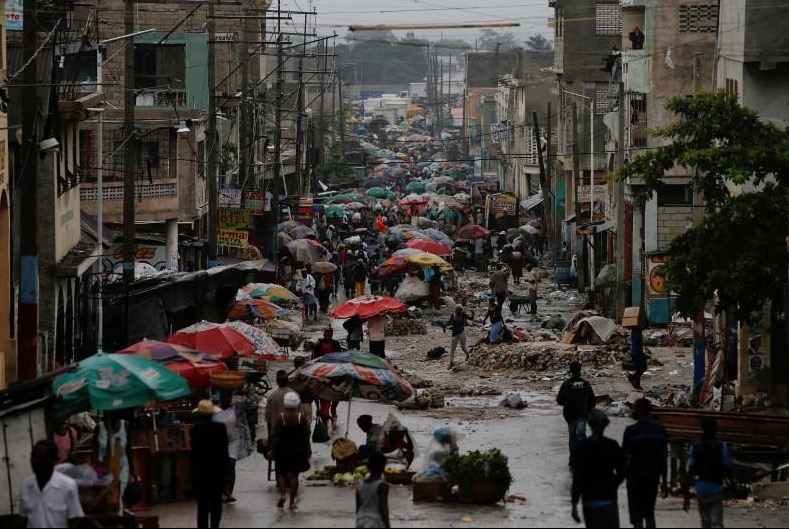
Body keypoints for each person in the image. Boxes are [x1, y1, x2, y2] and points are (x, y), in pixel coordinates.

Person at [571, 409, 625, 528]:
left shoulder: (582, 447)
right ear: (605, 425)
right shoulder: (612, 445)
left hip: (590, 501)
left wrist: (574, 503)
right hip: (609, 499)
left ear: (589, 425)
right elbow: (623, 470)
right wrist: (613, 484)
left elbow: (577, 477)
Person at [622, 398, 669, 529]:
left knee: (636, 515)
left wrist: (620, 477)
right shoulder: (660, 430)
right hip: (652, 476)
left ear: (639, 411)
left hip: (635, 477)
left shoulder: (631, 431)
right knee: (649, 512)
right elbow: (663, 456)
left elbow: (624, 457)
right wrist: (664, 480)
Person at [19, 439, 84, 528]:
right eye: (33, 457)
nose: (34, 462)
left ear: (52, 460)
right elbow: (23, 518)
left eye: (40, 458)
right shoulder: (26, 486)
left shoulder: (67, 485)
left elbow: (74, 519)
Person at [267, 391, 311, 511]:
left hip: (282, 449)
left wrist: (271, 450)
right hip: (297, 450)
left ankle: (282, 495)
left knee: (281, 473)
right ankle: (292, 502)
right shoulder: (300, 418)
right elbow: (306, 435)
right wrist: (307, 450)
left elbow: (275, 435)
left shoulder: (280, 418)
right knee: (294, 476)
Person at [684, 418, 732, 528]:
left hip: (701, 487)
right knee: (716, 520)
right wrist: (732, 486)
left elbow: (690, 470)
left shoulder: (695, 446)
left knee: (705, 520)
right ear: (716, 429)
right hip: (716, 486)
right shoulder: (722, 446)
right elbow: (727, 466)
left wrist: (686, 496)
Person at [190, 399, 230, 528]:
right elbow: (224, 451)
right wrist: (226, 472)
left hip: (200, 473)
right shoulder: (220, 428)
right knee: (216, 505)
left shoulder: (194, 430)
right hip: (216, 473)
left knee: (202, 507)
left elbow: (194, 453)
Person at [214, 392, 253, 504]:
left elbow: (250, 400)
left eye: (228, 397)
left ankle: (229, 492)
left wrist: (248, 386)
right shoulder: (215, 409)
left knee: (231, 464)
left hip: (234, 441)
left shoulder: (236, 408)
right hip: (220, 441)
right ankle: (222, 491)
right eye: (224, 397)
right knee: (221, 466)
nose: (227, 399)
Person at [556, 361, 597, 468]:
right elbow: (592, 401)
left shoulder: (566, 384)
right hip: (582, 415)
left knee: (572, 437)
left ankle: (573, 460)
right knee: (581, 436)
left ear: (571, 371)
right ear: (580, 371)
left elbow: (559, 400)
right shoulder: (586, 384)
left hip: (570, 416)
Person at [94, 410, 136, 512]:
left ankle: (119, 514)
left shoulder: (125, 426)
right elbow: (95, 449)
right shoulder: (99, 428)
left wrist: (133, 472)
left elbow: (128, 449)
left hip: (122, 466)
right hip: (104, 468)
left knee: (119, 493)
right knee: (108, 495)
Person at [355, 451, 391, 528]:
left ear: (368, 466)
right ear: (383, 467)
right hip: (375, 523)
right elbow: (383, 508)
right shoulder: (382, 485)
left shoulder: (359, 485)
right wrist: (387, 525)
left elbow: (358, 508)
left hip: (360, 521)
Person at [265, 370, 292, 437]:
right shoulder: (294, 395)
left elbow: (268, 418)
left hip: (277, 431)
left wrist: (269, 435)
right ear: (287, 380)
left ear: (277, 381)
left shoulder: (272, 397)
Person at [628, 326, 648, 391]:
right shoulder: (636, 330)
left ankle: (633, 377)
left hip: (637, 351)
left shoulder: (635, 330)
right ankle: (636, 385)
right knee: (640, 368)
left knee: (642, 367)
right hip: (637, 352)